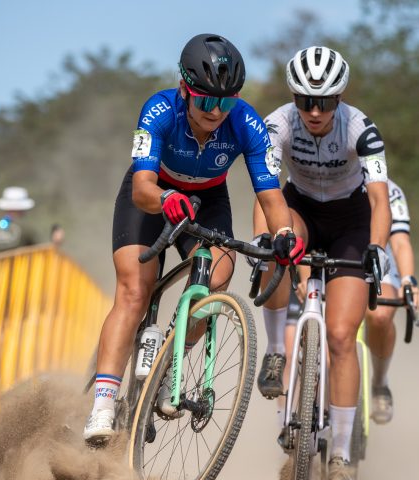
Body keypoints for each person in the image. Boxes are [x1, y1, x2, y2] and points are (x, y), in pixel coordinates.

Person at [82, 33, 305, 445]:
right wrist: (166, 197)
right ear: (185, 89)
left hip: (208, 198)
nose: (216, 112)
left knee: (217, 279)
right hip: (152, 194)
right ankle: (104, 405)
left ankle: (168, 367)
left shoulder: (246, 122)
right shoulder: (159, 109)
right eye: (206, 101)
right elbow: (142, 186)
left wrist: (286, 233)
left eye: (226, 101)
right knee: (134, 293)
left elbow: (271, 196)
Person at [252, 46, 391, 480]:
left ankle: (343, 453)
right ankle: (276, 350)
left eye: (325, 102)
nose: (314, 111)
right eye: (304, 101)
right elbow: (265, 190)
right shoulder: (276, 125)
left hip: (351, 219)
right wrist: (263, 242)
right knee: (275, 249)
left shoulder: (360, 128)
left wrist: (375, 248)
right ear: (293, 97)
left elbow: (379, 199)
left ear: (340, 97)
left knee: (340, 337)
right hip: (300, 210)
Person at [365, 179, 419, 424]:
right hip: (332, 247)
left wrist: (409, 280)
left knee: (380, 315)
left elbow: (399, 242)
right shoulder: (316, 167)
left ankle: (379, 382)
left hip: (376, 255)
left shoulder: (391, 190)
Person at [0, 186, 62, 257]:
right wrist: (56, 243)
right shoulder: (26, 228)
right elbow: (44, 252)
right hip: (18, 281)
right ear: (23, 208)